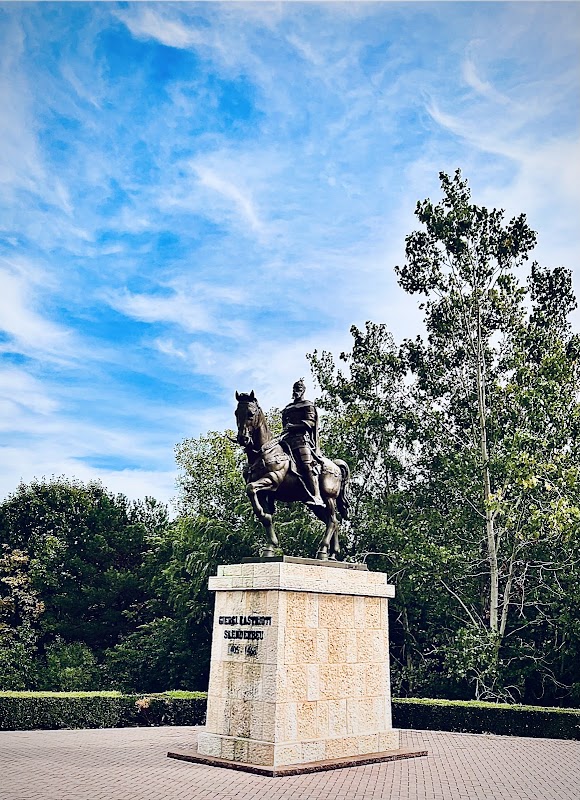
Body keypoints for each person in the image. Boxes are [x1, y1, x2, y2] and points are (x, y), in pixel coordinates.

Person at [280, 379, 324, 507]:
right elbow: (284, 425)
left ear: (303, 390)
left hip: (301, 440)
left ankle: (317, 495)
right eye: (294, 389)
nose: (296, 391)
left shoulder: (307, 405)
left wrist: (293, 426)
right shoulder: (288, 408)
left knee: (306, 465)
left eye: (299, 389)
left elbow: (310, 423)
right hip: (286, 440)